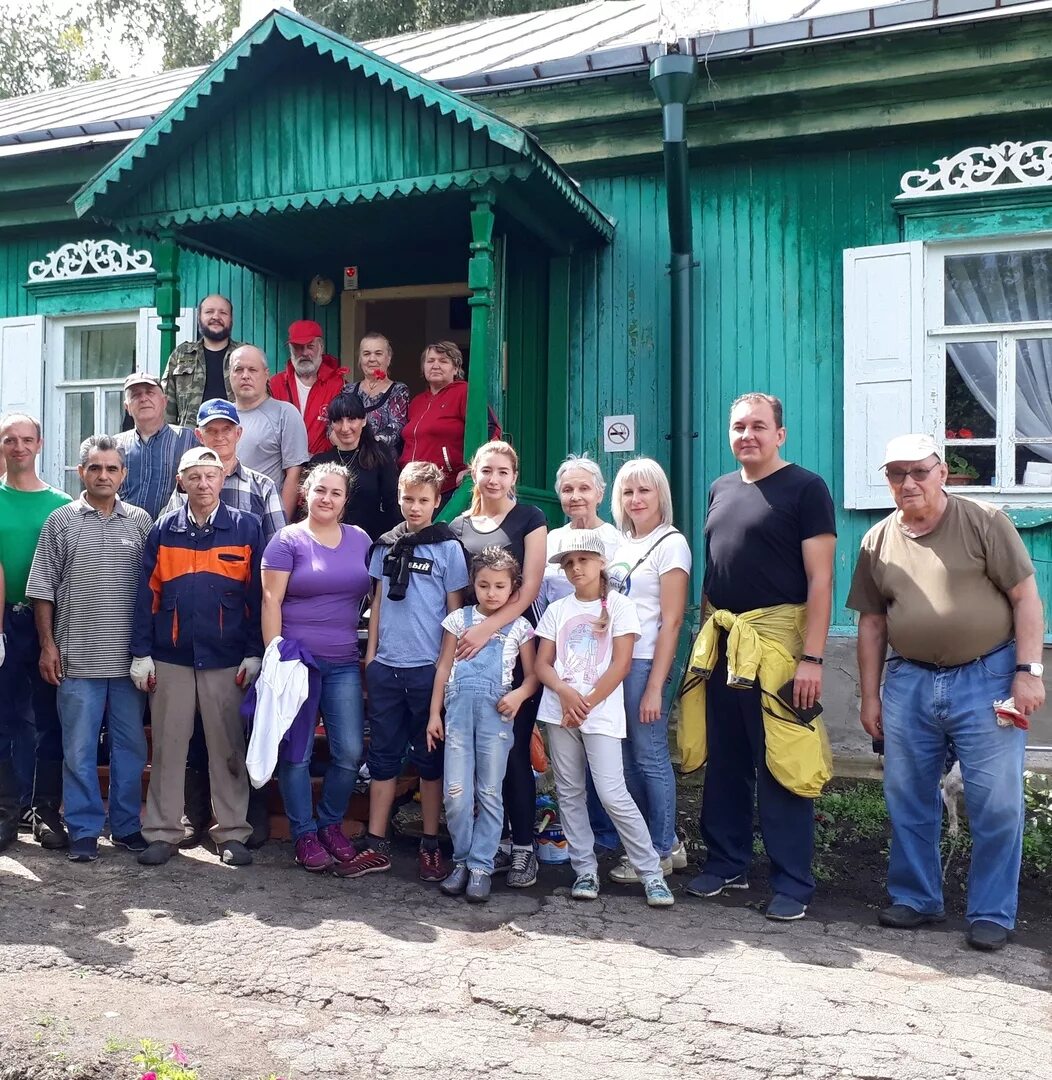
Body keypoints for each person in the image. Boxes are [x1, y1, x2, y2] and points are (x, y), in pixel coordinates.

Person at [848, 434, 1045, 952]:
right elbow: (871, 623)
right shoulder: (877, 540)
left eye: (918, 471)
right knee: (907, 796)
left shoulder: (985, 521)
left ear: (942, 473)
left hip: (989, 677)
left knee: (996, 801)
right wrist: (870, 698)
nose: (907, 483)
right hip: (909, 681)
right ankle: (916, 897)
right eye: (896, 474)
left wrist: (1029, 670)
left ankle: (991, 911)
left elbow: (1026, 598)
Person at [685, 392, 836, 922]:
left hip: (779, 647)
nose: (747, 434)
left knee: (781, 760)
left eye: (758, 425)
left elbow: (820, 580)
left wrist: (812, 658)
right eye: (738, 426)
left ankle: (792, 880)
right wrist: (705, 641)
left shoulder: (806, 488)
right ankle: (727, 861)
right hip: (725, 645)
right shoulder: (721, 489)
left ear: (780, 434)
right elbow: (713, 574)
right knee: (726, 756)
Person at [130, 446, 264, 867]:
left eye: (211, 476)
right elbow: (145, 596)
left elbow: (258, 599)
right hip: (170, 658)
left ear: (222, 479)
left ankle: (231, 833)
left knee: (227, 746)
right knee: (168, 747)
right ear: (181, 482)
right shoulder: (164, 530)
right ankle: (162, 832)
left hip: (226, 659)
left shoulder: (246, 527)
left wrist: (254, 652)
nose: (203, 484)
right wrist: (141, 654)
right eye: (195, 477)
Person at [335, 461, 468, 882]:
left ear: (437, 502)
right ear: (398, 498)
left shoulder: (448, 547)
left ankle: (431, 843)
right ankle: (377, 844)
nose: (415, 507)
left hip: (427, 669)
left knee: (429, 761)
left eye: (424, 500)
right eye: (408, 499)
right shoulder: (384, 546)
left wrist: (443, 669)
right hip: (386, 668)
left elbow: (454, 614)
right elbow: (375, 606)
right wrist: (371, 657)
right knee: (383, 757)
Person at [25, 435, 152, 862]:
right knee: (77, 750)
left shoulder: (140, 522)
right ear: (81, 472)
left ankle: (126, 826)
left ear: (123, 474)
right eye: (95, 468)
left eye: (111, 468)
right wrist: (47, 646)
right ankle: (83, 829)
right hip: (76, 658)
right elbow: (42, 589)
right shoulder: (60, 521)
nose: (103, 475)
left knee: (131, 749)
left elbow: (152, 590)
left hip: (128, 663)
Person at [535, 530, 674, 907]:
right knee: (570, 791)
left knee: (613, 792)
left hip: (601, 714)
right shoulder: (557, 609)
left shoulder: (619, 607)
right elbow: (541, 664)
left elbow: (622, 664)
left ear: (601, 564)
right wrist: (566, 694)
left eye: (583, 560)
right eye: (569, 563)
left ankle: (651, 871)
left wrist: (588, 702)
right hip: (560, 712)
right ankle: (584, 870)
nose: (576, 568)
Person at [261, 465, 372, 872]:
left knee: (349, 751)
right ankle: (303, 833)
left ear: (345, 499)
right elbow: (270, 600)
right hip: (298, 663)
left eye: (336, 493)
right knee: (297, 754)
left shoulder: (360, 540)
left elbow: (371, 596)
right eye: (320, 490)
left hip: (343, 661)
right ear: (306, 493)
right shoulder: (287, 540)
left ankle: (329, 823)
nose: (327, 498)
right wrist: (276, 655)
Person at [449, 440, 547, 888]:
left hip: (513, 646)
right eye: (486, 470)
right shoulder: (459, 525)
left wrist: (489, 630)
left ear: (514, 475)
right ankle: (485, 847)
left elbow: (528, 592)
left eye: (503, 471)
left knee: (513, 754)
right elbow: (457, 593)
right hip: (468, 653)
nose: (494, 479)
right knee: (472, 760)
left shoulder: (530, 519)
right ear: (474, 472)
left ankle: (524, 847)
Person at [428, 547, 538, 903]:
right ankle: (460, 860)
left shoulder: (520, 627)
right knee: (456, 795)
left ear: (513, 588)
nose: (491, 593)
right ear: (473, 585)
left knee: (490, 793)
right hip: (457, 717)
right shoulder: (458, 621)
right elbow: (443, 668)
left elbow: (534, 676)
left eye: (500, 586)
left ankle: (481, 866)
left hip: (497, 717)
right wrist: (434, 714)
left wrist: (520, 694)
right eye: (484, 585)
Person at [602, 458, 691, 883]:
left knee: (650, 755)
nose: (636, 500)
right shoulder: (621, 544)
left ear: (661, 496)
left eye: (645, 491)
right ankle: (661, 841)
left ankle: (656, 852)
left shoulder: (671, 543)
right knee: (624, 758)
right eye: (628, 492)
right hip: (615, 662)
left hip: (644, 663)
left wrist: (656, 685)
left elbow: (672, 621)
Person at [0, 413, 72, 850]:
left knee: (51, 722)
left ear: (40, 444)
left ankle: (45, 810)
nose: (19, 447)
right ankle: (7, 811)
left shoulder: (61, 504)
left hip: (49, 621)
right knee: (5, 722)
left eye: (27, 439)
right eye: (10, 440)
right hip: (4, 620)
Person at [162, 399, 286, 543]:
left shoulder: (263, 486)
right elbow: (170, 535)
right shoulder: (187, 484)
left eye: (226, 429)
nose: (219, 437)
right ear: (199, 435)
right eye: (211, 431)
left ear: (238, 433)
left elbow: (279, 545)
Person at [400, 341, 501, 503]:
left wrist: (472, 467)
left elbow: (490, 428)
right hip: (413, 489)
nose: (435, 365)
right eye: (430, 361)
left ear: (456, 369)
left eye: (443, 361)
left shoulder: (464, 392)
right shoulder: (416, 402)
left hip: (448, 488)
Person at [229, 345, 309, 520]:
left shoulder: (285, 413)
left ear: (266, 374)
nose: (245, 375)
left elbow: (294, 476)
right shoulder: (223, 417)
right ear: (229, 374)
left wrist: (279, 527)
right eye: (238, 369)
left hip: (261, 519)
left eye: (252, 370)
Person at [307, 393, 399, 540]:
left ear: (363, 420)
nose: (345, 428)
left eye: (351, 419)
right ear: (331, 424)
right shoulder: (320, 462)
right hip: (327, 541)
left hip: (370, 540)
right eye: (338, 420)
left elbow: (392, 502)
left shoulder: (378, 454)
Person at [115, 372, 199, 520]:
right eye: (135, 395)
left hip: (173, 533)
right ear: (126, 407)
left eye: (150, 393)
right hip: (126, 535)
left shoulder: (188, 440)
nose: (143, 399)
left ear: (164, 401)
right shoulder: (116, 446)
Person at [269, 320, 350, 456]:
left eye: (310, 346)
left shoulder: (339, 385)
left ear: (321, 347)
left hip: (324, 468)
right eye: (298, 347)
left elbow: (346, 428)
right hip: (281, 467)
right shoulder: (275, 384)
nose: (304, 353)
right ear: (290, 350)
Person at [161, 295, 242, 427]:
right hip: (190, 440)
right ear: (199, 318)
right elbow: (165, 406)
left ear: (231, 319)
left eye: (223, 312)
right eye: (209, 312)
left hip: (237, 439)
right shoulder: (181, 354)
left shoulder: (246, 354)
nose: (216, 317)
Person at [347, 333, 409, 453]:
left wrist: (358, 444)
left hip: (383, 462)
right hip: (351, 461)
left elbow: (396, 428)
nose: (372, 359)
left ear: (388, 358)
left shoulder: (399, 390)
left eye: (378, 353)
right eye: (366, 354)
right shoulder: (348, 390)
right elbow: (334, 424)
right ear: (360, 359)